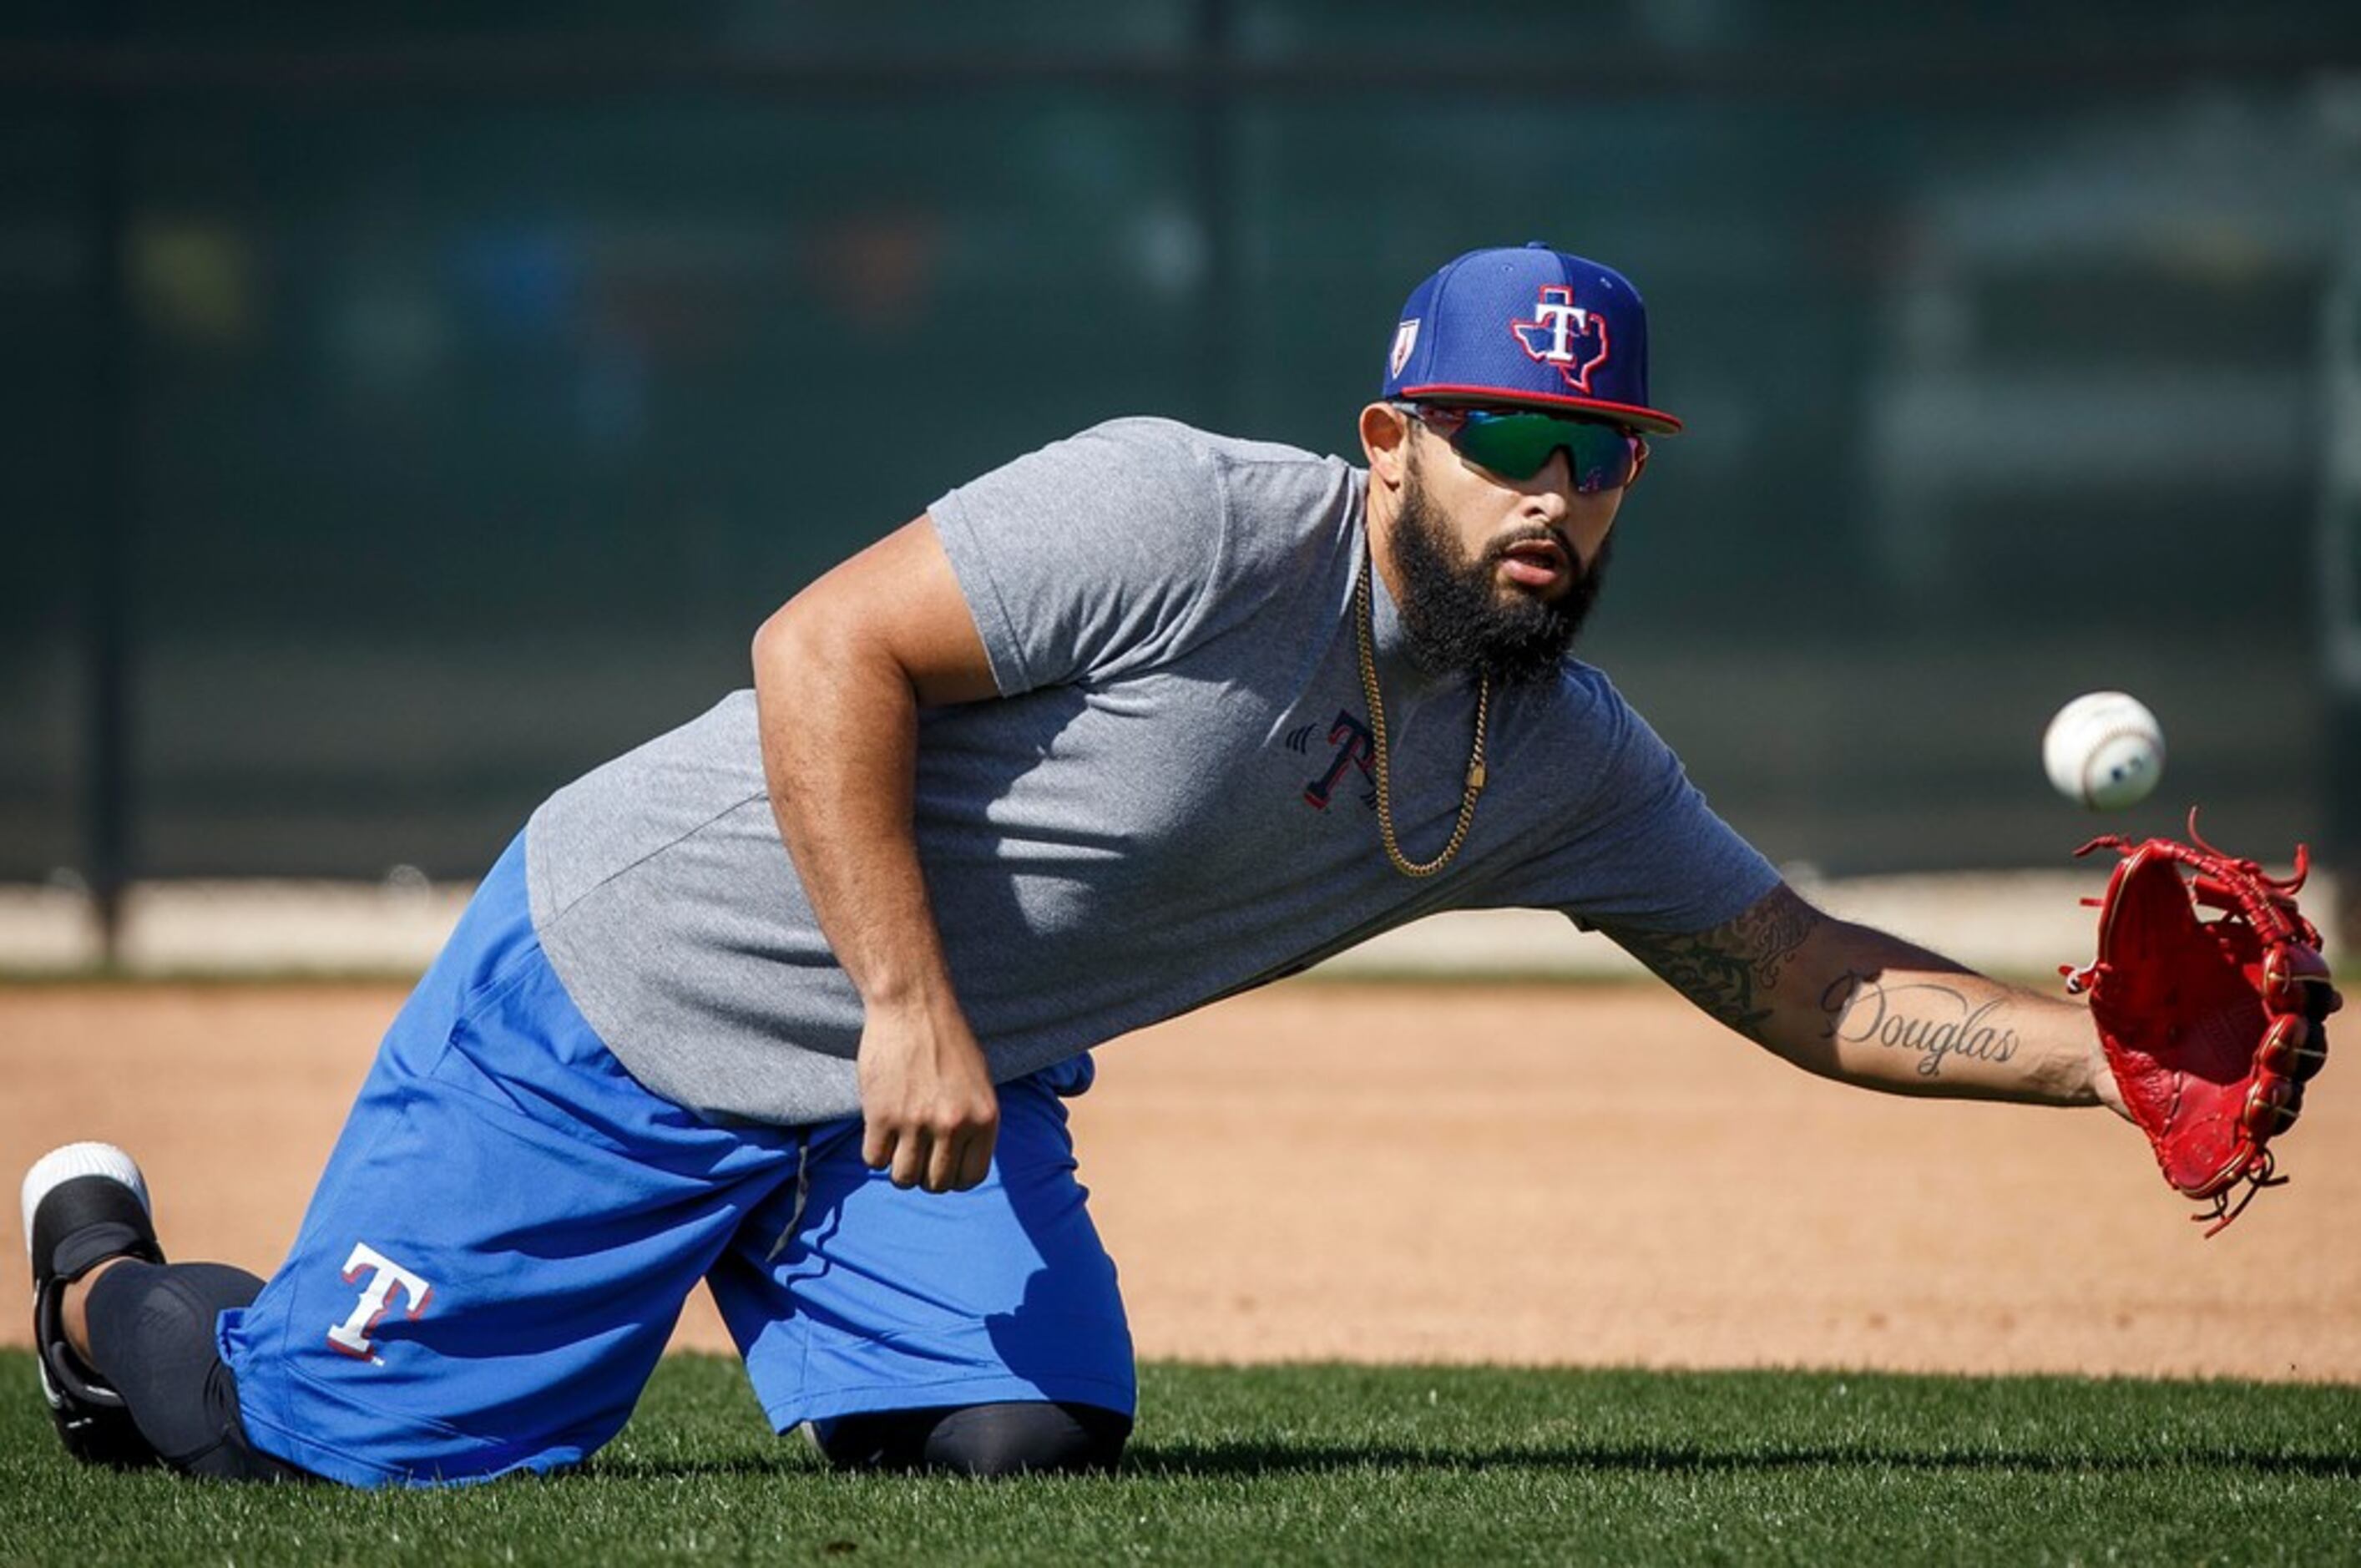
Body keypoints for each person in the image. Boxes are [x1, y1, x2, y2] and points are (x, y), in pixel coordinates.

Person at [23, 242, 2131, 1487]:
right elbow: (819, 647)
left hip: (907, 1107)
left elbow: (1795, 967)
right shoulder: (1186, 519)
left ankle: (808, 1288)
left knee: (1022, 1449)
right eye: (1508, 440)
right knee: (302, 1448)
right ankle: (92, 1267)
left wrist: (2117, 1060)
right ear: (1390, 441)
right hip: (630, 987)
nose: (1555, 497)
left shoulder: (1550, 753)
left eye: (1599, 461)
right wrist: (910, 1005)